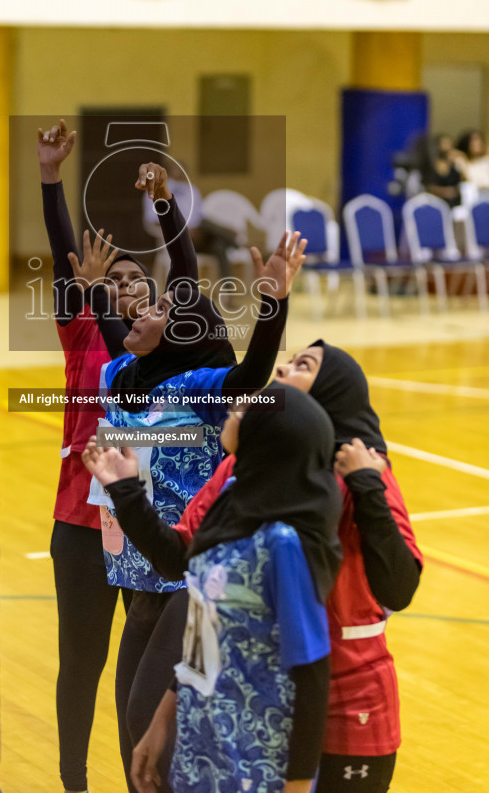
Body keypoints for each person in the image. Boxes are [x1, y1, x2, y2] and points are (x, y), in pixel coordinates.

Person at [85, 340, 422, 793]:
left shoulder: (361, 475)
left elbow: (397, 589)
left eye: (303, 365)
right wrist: (126, 492)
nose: (281, 368)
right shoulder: (237, 471)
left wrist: (366, 486)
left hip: (343, 708)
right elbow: (184, 568)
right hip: (251, 709)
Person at [70, 230, 307, 793]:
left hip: (181, 568)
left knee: (149, 716)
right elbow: (113, 331)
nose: (138, 311)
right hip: (131, 566)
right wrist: (95, 292)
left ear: (177, 332)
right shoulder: (115, 376)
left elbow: (252, 375)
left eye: (154, 309)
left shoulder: (197, 387)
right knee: (131, 722)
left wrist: (271, 305)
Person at [38, 119, 199, 793]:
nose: (131, 283)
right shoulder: (85, 332)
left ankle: (137, 777)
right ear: (102, 288)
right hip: (81, 524)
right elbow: (63, 255)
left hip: (141, 529)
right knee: (82, 658)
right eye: (118, 277)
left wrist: (165, 202)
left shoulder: (169, 352)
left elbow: (184, 270)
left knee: (139, 671)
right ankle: (73, 782)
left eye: (141, 278)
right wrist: (50, 177)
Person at [85, 385, 343, 793]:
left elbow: (311, 675)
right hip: (201, 746)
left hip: (259, 760)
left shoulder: (284, 544)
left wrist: (296, 785)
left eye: (242, 410)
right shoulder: (229, 499)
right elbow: (202, 633)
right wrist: (161, 723)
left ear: (269, 435)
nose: (232, 410)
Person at [142, 162, 240, 282]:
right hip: (176, 238)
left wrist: (196, 229)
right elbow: (153, 220)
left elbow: (201, 216)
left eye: (182, 170)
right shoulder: (156, 192)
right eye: (176, 170)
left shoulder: (192, 191)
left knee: (219, 246)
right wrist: (184, 229)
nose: (179, 173)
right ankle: (236, 242)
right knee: (205, 225)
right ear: (166, 173)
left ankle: (227, 292)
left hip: (199, 237)